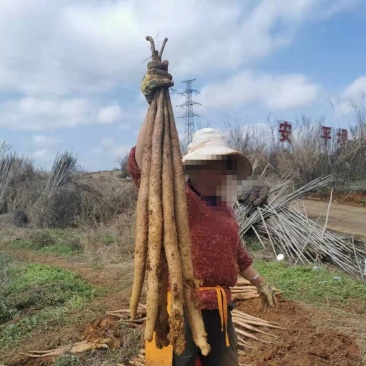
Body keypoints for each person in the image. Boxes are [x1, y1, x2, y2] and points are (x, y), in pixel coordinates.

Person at [127, 59, 278, 366]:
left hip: (221, 312)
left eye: (223, 166)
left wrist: (260, 282)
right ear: (193, 169)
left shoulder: (223, 206)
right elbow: (145, 164)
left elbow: (238, 255)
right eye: (210, 165)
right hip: (184, 308)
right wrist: (152, 105)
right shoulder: (181, 199)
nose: (218, 173)